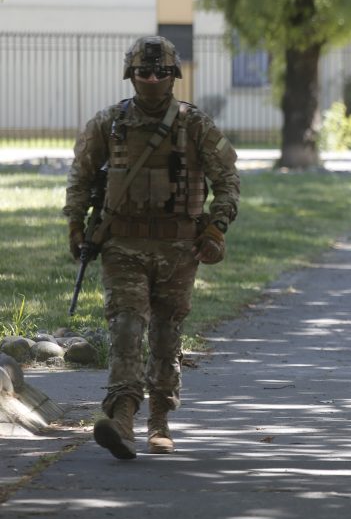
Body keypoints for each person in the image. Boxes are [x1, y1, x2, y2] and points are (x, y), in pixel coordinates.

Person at [64, 36, 240, 460]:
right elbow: (82, 177)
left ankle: (160, 418)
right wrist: (75, 222)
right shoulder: (108, 124)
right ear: (131, 74)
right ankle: (121, 416)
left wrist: (216, 229)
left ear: (173, 75)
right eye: (144, 72)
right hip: (122, 243)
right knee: (126, 325)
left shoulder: (194, 124)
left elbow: (228, 180)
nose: (152, 79)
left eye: (161, 72)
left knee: (166, 333)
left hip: (179, 247)